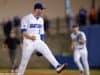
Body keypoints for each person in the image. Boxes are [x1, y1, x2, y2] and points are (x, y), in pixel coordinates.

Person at [17, 2, 65, 75]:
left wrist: (42, 44)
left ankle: (58, 66)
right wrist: (30, 37)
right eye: (41, 9)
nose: (42, 11)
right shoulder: (26, 18)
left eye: (43, 9)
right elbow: (23, 32)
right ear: (36, 9)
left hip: (38, 40)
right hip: (28, 42)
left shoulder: (41, 20)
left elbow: (42, 33)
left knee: (47, 51)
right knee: (24, 61)